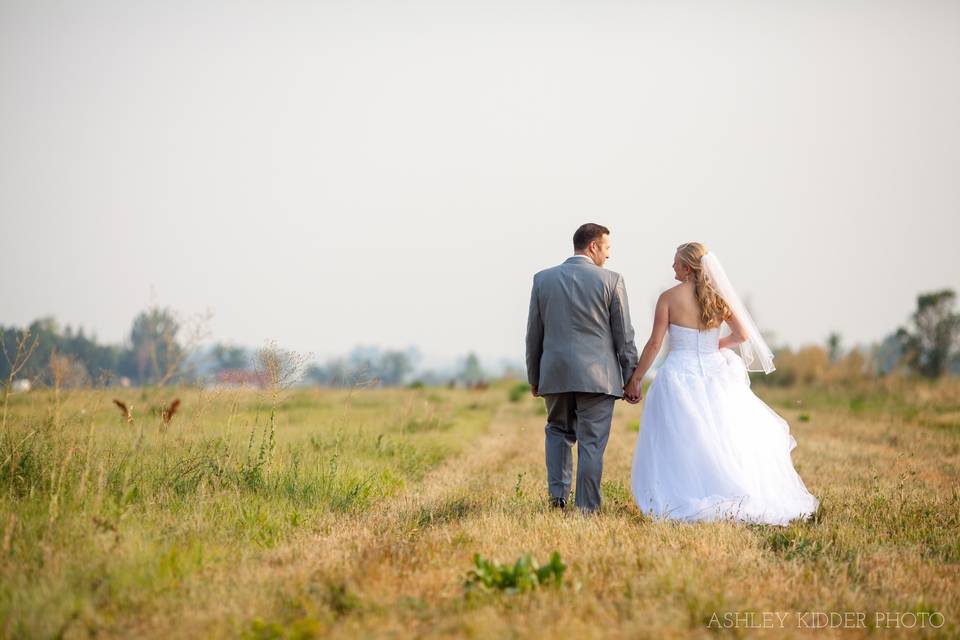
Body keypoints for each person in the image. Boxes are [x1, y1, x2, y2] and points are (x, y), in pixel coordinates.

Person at [627, 242, 819, 524]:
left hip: (680, 374)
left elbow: (655, 343)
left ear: (687, 267)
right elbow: (742, 335)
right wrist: (717, 344)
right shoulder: (717, 298)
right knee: (723, 436)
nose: (672, 267)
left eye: (676, 262)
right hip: (717, 375)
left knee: (682, 441)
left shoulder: (668, 298)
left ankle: (683, 494)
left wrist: (636, 378)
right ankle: (732, 490)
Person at [525, 223, 639, 513]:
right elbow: (623, 335)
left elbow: (533, 334)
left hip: (556, 373)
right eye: (607, 248)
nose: (609, 255)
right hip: (599, 378)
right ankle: (587, 508)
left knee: (557, 432)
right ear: (593, 247)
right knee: (591, 442)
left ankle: (558, 499)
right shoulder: (612, 281)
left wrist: (535, 376)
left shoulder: (543, 279)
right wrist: (631, 377)